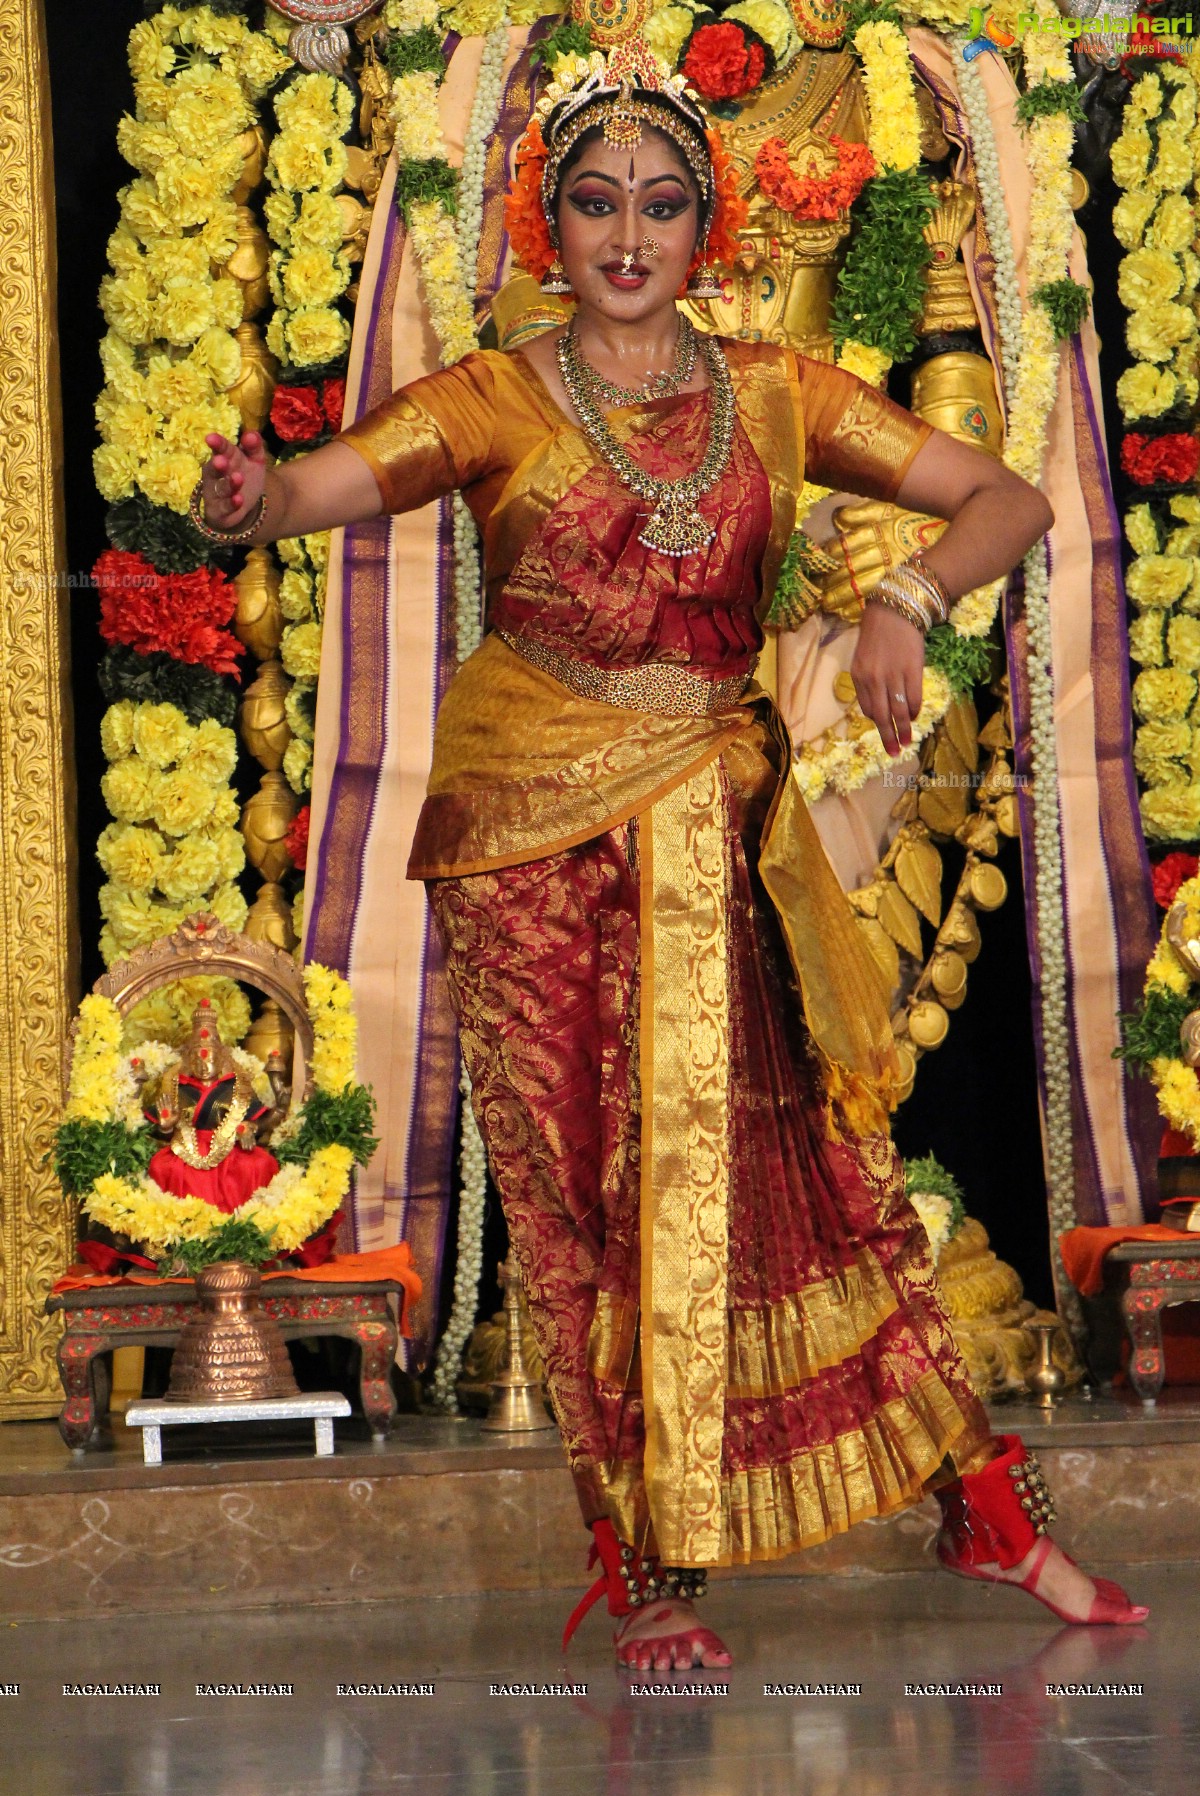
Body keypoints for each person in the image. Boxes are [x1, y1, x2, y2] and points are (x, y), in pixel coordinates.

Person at [193, 44, 1148, 1669]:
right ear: (544, 221)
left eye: (658, 206)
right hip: (523, 845)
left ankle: (980, 1500)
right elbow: (310, 494)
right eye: (592, 204)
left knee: (802, 1177)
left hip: (712, 823)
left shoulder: (774, 392)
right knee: (583, 1201)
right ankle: (643, 1562)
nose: (626, 238)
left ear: (707, 229)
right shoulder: (492, 394)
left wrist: (906, 603)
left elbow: (1000, 500)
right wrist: (246, 499)